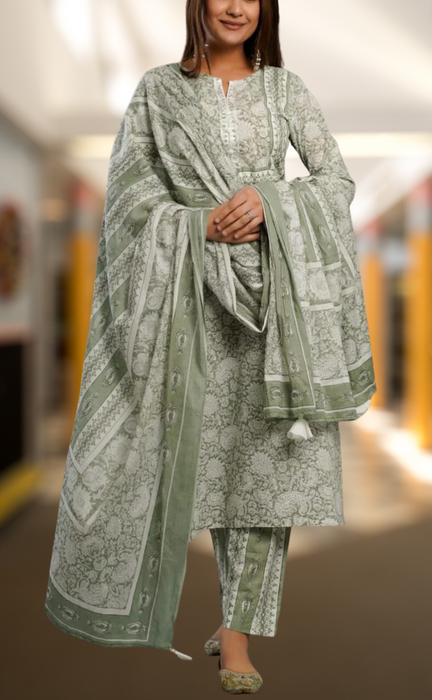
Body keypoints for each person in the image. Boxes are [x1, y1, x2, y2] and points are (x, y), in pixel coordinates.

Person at [44, 0, 376, 694]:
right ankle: (140, 598)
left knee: (264, 481)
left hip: (274, 315)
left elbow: (336, 182)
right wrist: (197, 227)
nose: (235, 7)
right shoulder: (157, 92)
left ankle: (236, 635)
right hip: (184, 310)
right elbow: (129, 206)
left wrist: (270, 198)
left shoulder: (285, 90)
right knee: (191, 469)